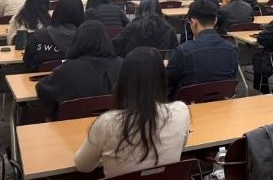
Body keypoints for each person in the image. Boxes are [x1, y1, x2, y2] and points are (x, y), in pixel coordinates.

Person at [74, 47, 190, 178]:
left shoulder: (107, 122)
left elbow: (83, 166)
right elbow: (181, 146)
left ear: (123, 79)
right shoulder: (181, 111)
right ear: (162, 78)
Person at [36, 20, 123, 119]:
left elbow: (42, 89)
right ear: (107, 40)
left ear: (77, 41)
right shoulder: (122, 65)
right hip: (115, 124)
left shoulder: (67, 69)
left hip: (70, 125)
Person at [166, 0, 238, 97]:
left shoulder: (182, 51)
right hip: (222, 102)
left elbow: (166, 82)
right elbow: (231, 79)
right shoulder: (232, 49)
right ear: (215, 21)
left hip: (188, 103)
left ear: (193, 22)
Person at [24, 0, 84, 71]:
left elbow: (27, 61)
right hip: (75, 77)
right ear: (81, 14)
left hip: (40, 78)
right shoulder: (86, 39)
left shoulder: (39, 35)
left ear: (57, 12)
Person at [112, 0, 178, 57]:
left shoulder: (132, 25)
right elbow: (175, 52)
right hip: (159, 63)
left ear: (140, 9)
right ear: (159, 9)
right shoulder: (168, 28)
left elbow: (116, 46)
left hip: (133, 62)